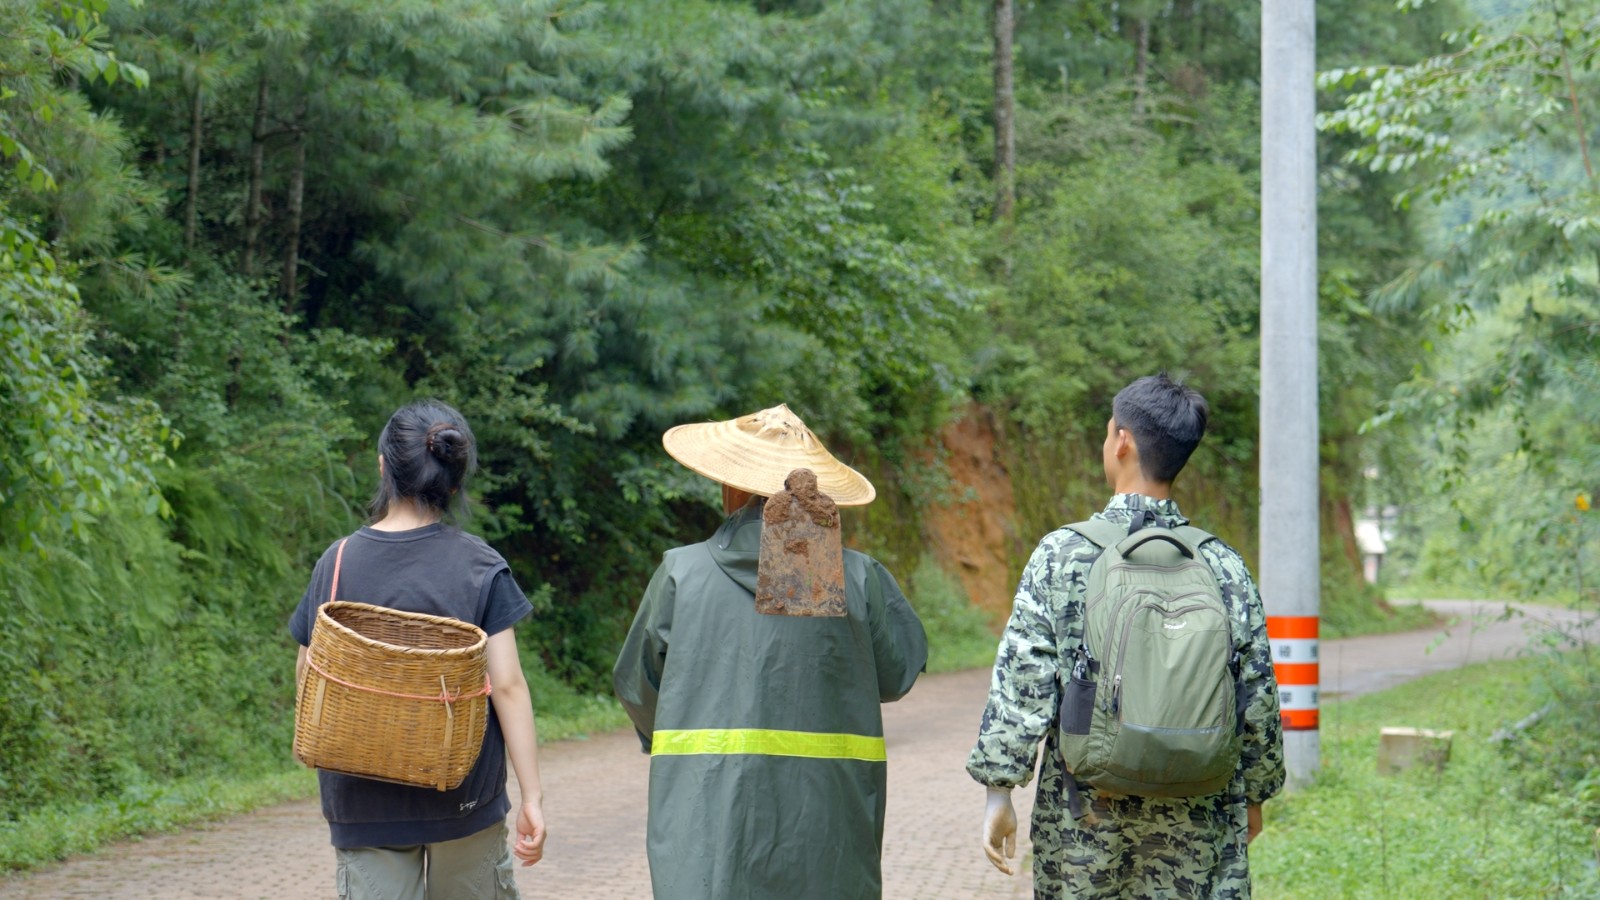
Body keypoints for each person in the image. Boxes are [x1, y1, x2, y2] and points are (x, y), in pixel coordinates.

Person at [968, 374, 1285, 898]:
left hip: (1083, 820)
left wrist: (998, 792)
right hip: (1201, 815)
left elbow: (1023, 685)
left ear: (1122, 441)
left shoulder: (1063, 553)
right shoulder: (1222, 565)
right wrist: (1256, 794)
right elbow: (1257, 695)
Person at [613, 403, 929, 900]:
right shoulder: (859, 576)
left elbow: (636, 684)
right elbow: (897, 674)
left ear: (736, 489)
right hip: (828, 830)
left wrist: (681, 724)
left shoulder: (680, 573)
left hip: (705, 820)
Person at [289, 400, 547, 899]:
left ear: (384, 466)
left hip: (364, 803)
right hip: (464, 796)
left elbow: (309, 674)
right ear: (454, 480)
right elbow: (508, 687)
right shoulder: (480, 565)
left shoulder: (337, 561)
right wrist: (532, 796)